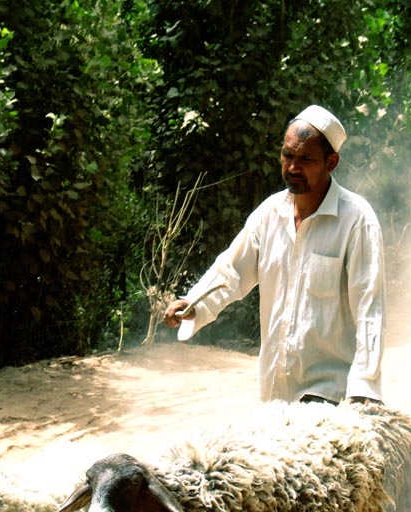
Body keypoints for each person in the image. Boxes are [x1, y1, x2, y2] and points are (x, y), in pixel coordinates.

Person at [163, 104, 386, 405]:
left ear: (331, 162)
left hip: (330, 393)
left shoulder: (356, 220)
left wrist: (364, 387)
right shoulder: (269, 214)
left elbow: (370, 310)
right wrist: (195, 303)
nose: (293, 167)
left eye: (306, 159)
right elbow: (231, 271)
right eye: (287, 155)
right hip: (275, 395)